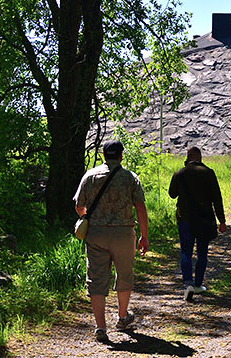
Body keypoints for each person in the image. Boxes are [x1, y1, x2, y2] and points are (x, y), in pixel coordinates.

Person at [74, 140, 149, 343]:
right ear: (121, 156)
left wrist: (88, 217)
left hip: (96, 235)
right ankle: (123, 317)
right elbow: (140, 207)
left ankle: (100, 327)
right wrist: (144, 236)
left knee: (97, 278)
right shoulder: (130, 177)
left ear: (104, 154)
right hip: (124, 234)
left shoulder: (89, 176)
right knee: (124, 274)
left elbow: (79, 207)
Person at [168, 146, 227, 301]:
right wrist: (222, 221)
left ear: (188, 157)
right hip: (204, 219)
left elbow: (172, 194)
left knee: (186, 251)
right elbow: (217, 199)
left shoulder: (180, 173)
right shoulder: (209, 173)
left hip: (185, 219)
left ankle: (187, 283)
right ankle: (198, 284)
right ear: (200, 158)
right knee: (202, 252)